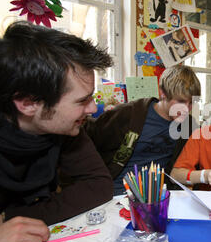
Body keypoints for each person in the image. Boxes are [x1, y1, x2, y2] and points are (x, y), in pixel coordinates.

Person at [0, 21, 114, 242]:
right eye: (82, 101)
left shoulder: (64, 128)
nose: (93, 109)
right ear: (29, 103)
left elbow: (98, 185)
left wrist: (10, 218)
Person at [85, 64, 201, 195]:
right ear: (162, 93)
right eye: (181, 101)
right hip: (118, 194)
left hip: (158, 197)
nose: (186, 108)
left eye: (191, 103)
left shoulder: (189, 125)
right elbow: (90, 137)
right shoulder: (129, 114)